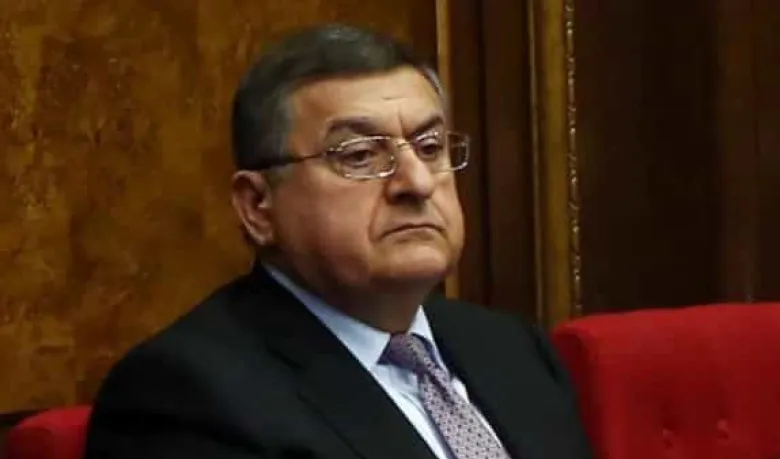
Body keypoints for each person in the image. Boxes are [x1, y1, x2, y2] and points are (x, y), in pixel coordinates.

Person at [84, 24, 593, 459]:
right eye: (359, 155)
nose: (416, 183)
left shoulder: (513, 350)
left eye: (430, 146)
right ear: (258, 206)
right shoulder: (184, 399)